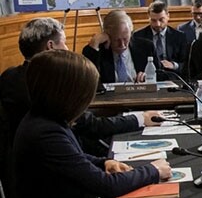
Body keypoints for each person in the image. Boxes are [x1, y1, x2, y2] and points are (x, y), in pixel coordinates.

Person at [10, 49, 172, 198]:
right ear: (66, 94)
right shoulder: (45, 131)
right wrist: (152, 171)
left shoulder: (46, 119)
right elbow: (105, 186)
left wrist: (104, 161)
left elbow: (72, 158)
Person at [0, 17, 163, 164]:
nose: (67, 48)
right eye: (64, 42)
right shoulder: (53, 83)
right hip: (56, 164)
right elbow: (90, 125)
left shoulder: (8, 77)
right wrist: (139, 119)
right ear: (51, 47)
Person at [82, 9, 159, 83]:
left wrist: (149, 76)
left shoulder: (146, 47)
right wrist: (95, 42)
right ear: (107, 35)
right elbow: (86, 80)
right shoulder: (98, 51)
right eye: (117, 40)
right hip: (109, 96)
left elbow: (164, 74)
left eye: (125, 39)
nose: (122, 45)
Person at [133, 0, 189, 76]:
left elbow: (187, 64)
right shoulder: (138, 36)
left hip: (172, 77)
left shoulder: (179, 36)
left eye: (161, 20)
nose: (157, 24)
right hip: (147, 77)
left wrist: (174, 65)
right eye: (153, 20)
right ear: (148, 17)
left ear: (168, 16)